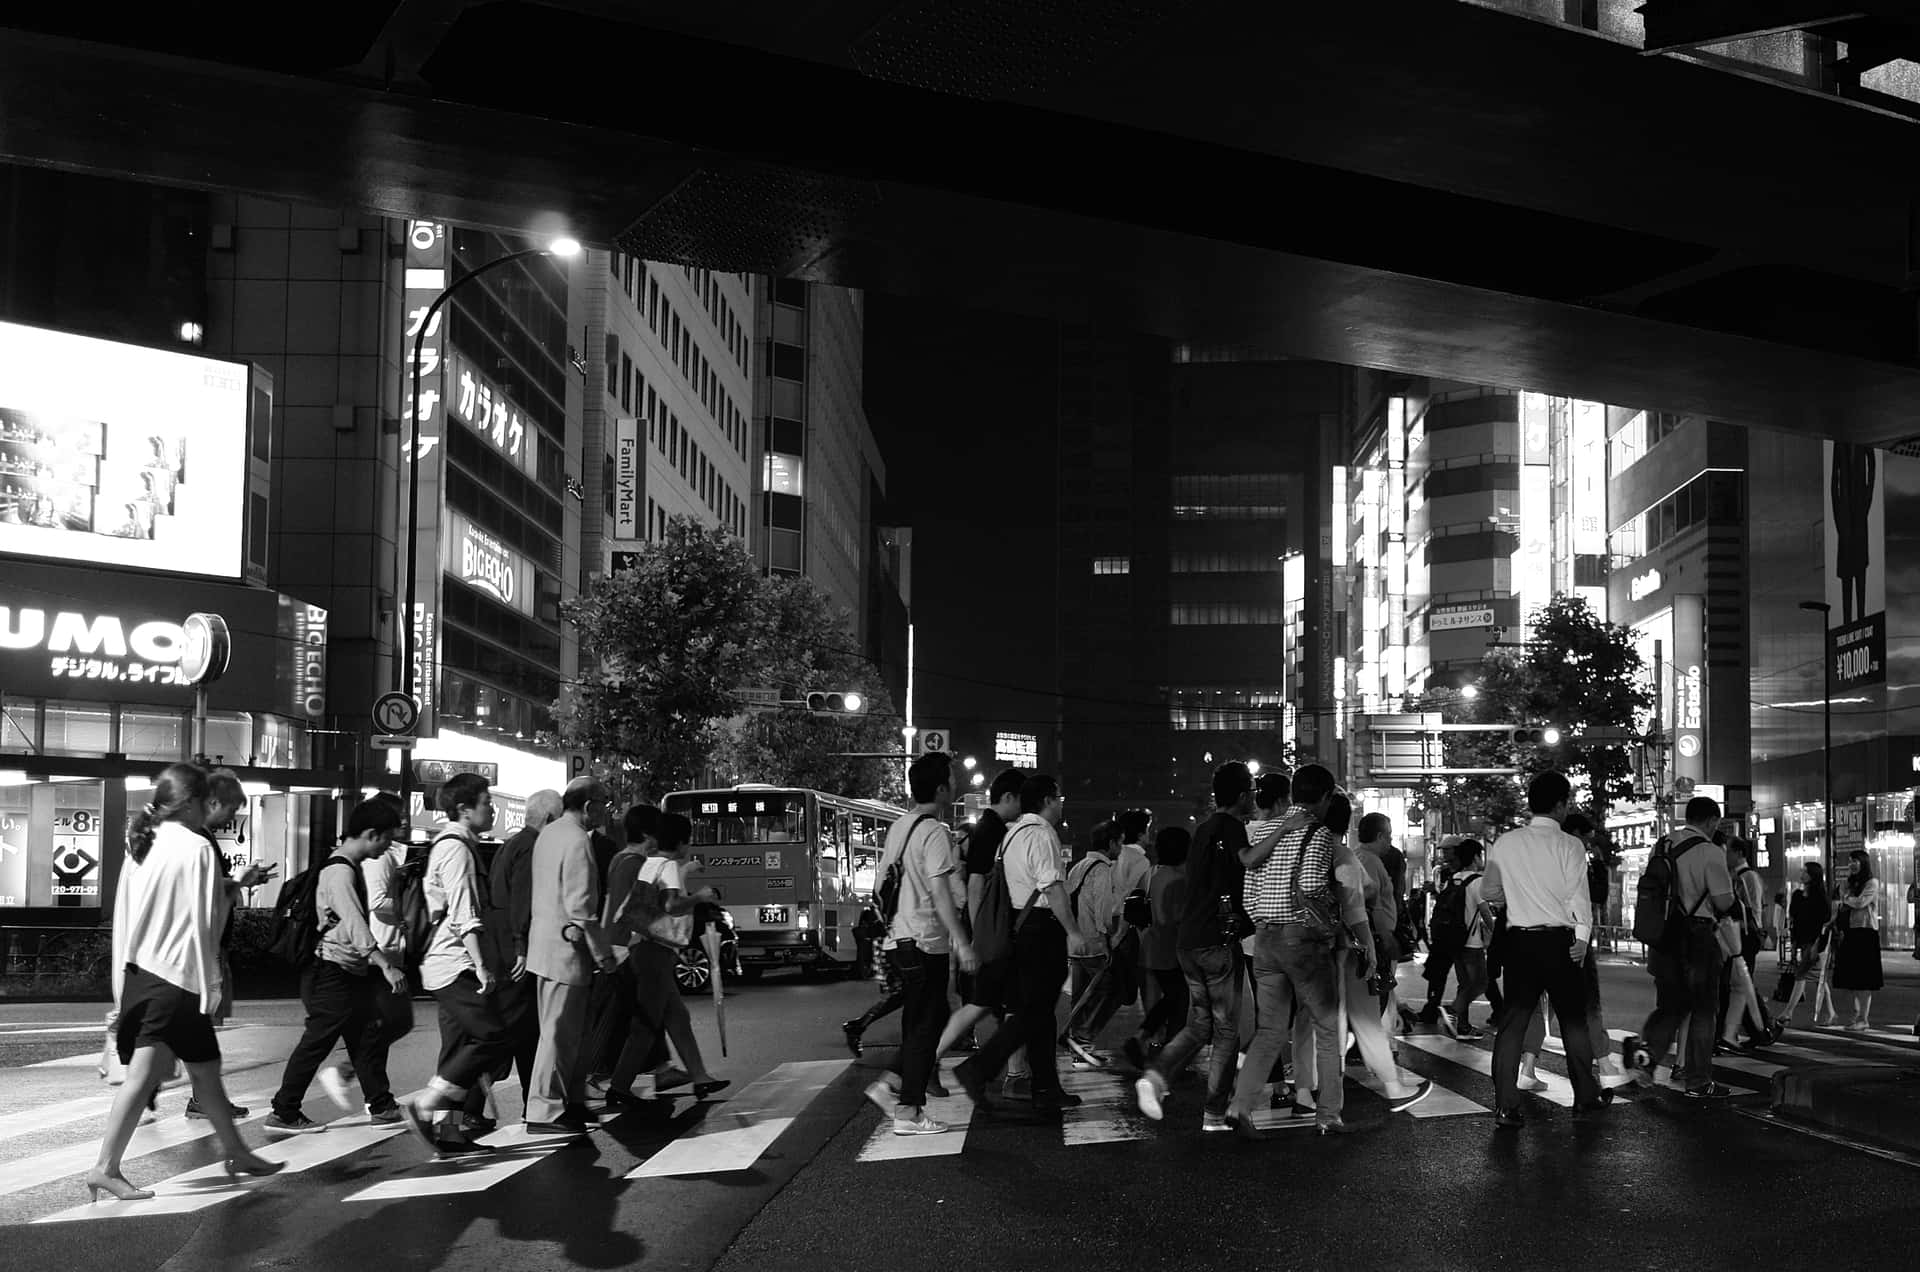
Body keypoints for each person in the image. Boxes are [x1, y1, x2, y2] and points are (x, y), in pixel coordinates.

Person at [89, 763, 282, 1202]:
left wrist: (123, 986)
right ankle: (104, 1168)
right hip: (175, 980)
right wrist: (209, 986)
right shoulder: (195, 846)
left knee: (205, 1072)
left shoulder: (143, 841)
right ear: (195, 802)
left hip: (144, 973)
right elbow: (205, 922)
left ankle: (236, 1151)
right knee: (146, 1077)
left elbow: (134, 915)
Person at [1224, 764, 1362, 1137]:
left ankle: (1240, 1105)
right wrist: (1331, 926)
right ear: (1325, 797)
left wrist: (1266, 921)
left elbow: (1248, 894)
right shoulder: (1317, 834)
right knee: (1327, 1028)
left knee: (1270, 1030)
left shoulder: (1265, 830)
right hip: (1303, 942)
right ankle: (1328, 1114)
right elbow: (1313, 886)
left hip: (1265, 941)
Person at [265, 798, 409, 1135]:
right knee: (318, 1041)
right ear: (371, 834)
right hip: (331, 970)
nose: (390, 844)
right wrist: (384, 965)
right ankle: (284, 1111)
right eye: (388, 837)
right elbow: (355, 923)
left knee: (363, 1038)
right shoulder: (340, 870)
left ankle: (382, 1104)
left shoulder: (344, 865)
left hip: (343, 968)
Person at [1283, 795, 1431, 1121]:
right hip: (1346, 950)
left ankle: (1305, 1092)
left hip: (1304, 947)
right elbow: (1358, 907)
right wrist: (1372, 951)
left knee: (1308, 1019)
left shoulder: (1298, 854)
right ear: (1345, 822)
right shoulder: (1342, 854)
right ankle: (1393, 1088)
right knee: (1364, 1019)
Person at [953, 773, 1086, 1116]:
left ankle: (1046, 1088)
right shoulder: (1041, 834)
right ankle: (979, 1069)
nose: (1060, 805)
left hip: (1020, 930)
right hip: (1042, 930)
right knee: (1033, 1012)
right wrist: (1073, 931)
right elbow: (1052, 888)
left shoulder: (1011, 835)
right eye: (1058, 798)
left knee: (1039, 1014)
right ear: (1047, 799)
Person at [395, 772, 511, 1156]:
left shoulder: (454, 844)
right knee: (492, 1036)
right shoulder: (456, 848)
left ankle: (450, 1132)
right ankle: (427, 1103)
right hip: (454, 961)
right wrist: (481, 964)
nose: (491, 808)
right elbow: (465, 913)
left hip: (443, 961)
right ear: (464, 809)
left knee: (459, 1045)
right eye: (485, 801)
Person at [1483, 772, 1606, 1127]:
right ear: (1559, 804)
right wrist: (1581, 941)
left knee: (1513, 1024)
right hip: (1560, 943)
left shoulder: (1506, 843)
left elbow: (1489, 892)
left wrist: (1518, 896)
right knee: (1573, 1021)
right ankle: (1585, 1097)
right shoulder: (1570, 845)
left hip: (1520, 943)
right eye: (1566, 801)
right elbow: (1579, 901)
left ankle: (1506, 1105)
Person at [864, 752, 977, 1135]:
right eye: (953, 778)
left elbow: (881, 885)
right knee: (928, 1024)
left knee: (922, 1020)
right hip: (924, 941)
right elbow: (941, 894)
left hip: (899, 939)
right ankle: (908, 1111)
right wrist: (962, 942)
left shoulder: (900, 827)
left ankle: (892, 1084)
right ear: (941, 788)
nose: (957, 784)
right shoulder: (935, 833)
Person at [605, 813, 729, 1103]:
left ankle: (700, 1077)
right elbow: (672, 904)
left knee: (678, 1016)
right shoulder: (669, 865)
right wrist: (701, 897)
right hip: (656, 952)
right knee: (646, 1024)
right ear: (682, 842)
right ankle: (619, 1088)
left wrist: (685, 870)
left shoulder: (651, 863)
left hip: (642, 947)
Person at [524, 778, 619, 1135]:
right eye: (604, 803)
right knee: (560, 1034)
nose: (606, 810)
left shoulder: (550, 833)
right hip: (568, 948)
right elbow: (581, 908)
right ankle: (545, 1109)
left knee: (567, 1033)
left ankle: (569, 1102)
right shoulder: (578, 840)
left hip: (546, 945)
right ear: (589, 805)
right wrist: (604, 954)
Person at [1627, 796, 1734, 1100]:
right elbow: (1724, 901)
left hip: (1664, 937)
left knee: (1669, 1007)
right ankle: (1698, 1081)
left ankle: (1643, 1066)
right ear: (1711, 821)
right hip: (1698, 936)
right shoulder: (1711, 852)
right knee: (1703, 1009)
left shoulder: (1662, 845)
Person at [930, 767, 1027, 1093]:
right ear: (1010, 797)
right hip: (990, 932)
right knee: (987, 1003)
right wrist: (976, 936)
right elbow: (975, 883)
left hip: (989, 931)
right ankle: (932, 1060)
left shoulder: (993, 827)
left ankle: (1016, 1074)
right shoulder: (991, 830)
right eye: (1022, 799)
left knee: (998, 1003)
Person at [188, 767, 274, 1120]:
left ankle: (200, 1098)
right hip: (204, 946)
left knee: (194, 1027)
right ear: (212, 801)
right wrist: (238, 880)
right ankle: (202, 1099)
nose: (233, 817)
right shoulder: (197, 839)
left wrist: (241, 881)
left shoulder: (196, 837)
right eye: (231, 808)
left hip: (205, 943)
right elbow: (202, 888)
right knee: (198, 1027)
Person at [483, 789, 561, 1115]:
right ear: (549, 819)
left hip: (501, 947)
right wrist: (522, 948)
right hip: (516, 953)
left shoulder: (510, 845)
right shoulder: (532, 848)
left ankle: (533, 1102)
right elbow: (522, 902)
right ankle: (468, 1104)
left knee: (522, 1031)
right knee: (519, 1032)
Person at [1122, 825, 1191, 1068]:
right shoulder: (1180, 878)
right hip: (1171, 948)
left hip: (1150, 945)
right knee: (1179, 1001)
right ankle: (1170, 1059)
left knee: (1171, 998)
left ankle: (1143, 1038)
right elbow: (1172, 917)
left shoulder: (1151, 872)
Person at [1061, 820, 1123, 1066]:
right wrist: (1108, 936)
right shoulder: (1102, 870)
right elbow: (1103, 913)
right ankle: (1082, 1038)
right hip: (1093, 943)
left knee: (1081, 997)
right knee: (1111, 991)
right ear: (1111, 843)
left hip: (1074, 942)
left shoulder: (1079, 866)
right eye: (1119, 842)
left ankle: (1080, 1051)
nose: (1121, 847)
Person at [1718, 832, 1777, 1050]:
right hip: (1736, 934)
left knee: (1741, 982)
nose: (1726, 856)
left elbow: (1753, 909)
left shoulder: (1748, 877)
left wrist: (1754, 929)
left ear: (1739, 853)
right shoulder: (1735, 876)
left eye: (1729, 852)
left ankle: (1761, 1028)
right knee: (1742, 982)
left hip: (1743, 935)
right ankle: (1760, 1029)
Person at [1446, 839, 1492, 1040]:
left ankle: (1463, 1027)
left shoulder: (1454, 878)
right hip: (1472, 943)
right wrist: (1496, 933)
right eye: (1480, 855)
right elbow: (1485, 911)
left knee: (1464, 984)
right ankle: (1454, 1010)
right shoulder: (1477, 881)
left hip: (1455, 940)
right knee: (1481, 982)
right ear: (1475, 857)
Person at [1832, 849, 1883, 1029]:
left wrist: (1846, 899)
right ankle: (1856, 1016)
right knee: (1851, 979)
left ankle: (1863, 1018)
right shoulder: (1849, 883)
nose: (1851, 864)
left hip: (1866, 932)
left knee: (1865, 979)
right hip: (1851, 932)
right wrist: (1846, 898)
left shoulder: (1872, 883)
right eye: (1850, 861)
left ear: (1863, 863)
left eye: (1855, 861)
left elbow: (1861, 902)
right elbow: (1841, 901)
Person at [1777, 861, 1831, 1026]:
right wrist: (1793, 941)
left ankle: (1788, 1012)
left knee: (1801, 975)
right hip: (1800, 940)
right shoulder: (1797, 895)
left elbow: (1825, 919)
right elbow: (1793, 917)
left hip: (1813, 941)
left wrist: (1818, 943)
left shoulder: (1820, 897)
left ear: (1812, 876)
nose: (1802, 874)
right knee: (1816, 978)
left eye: (1805, 872)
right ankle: (1831, 1011)